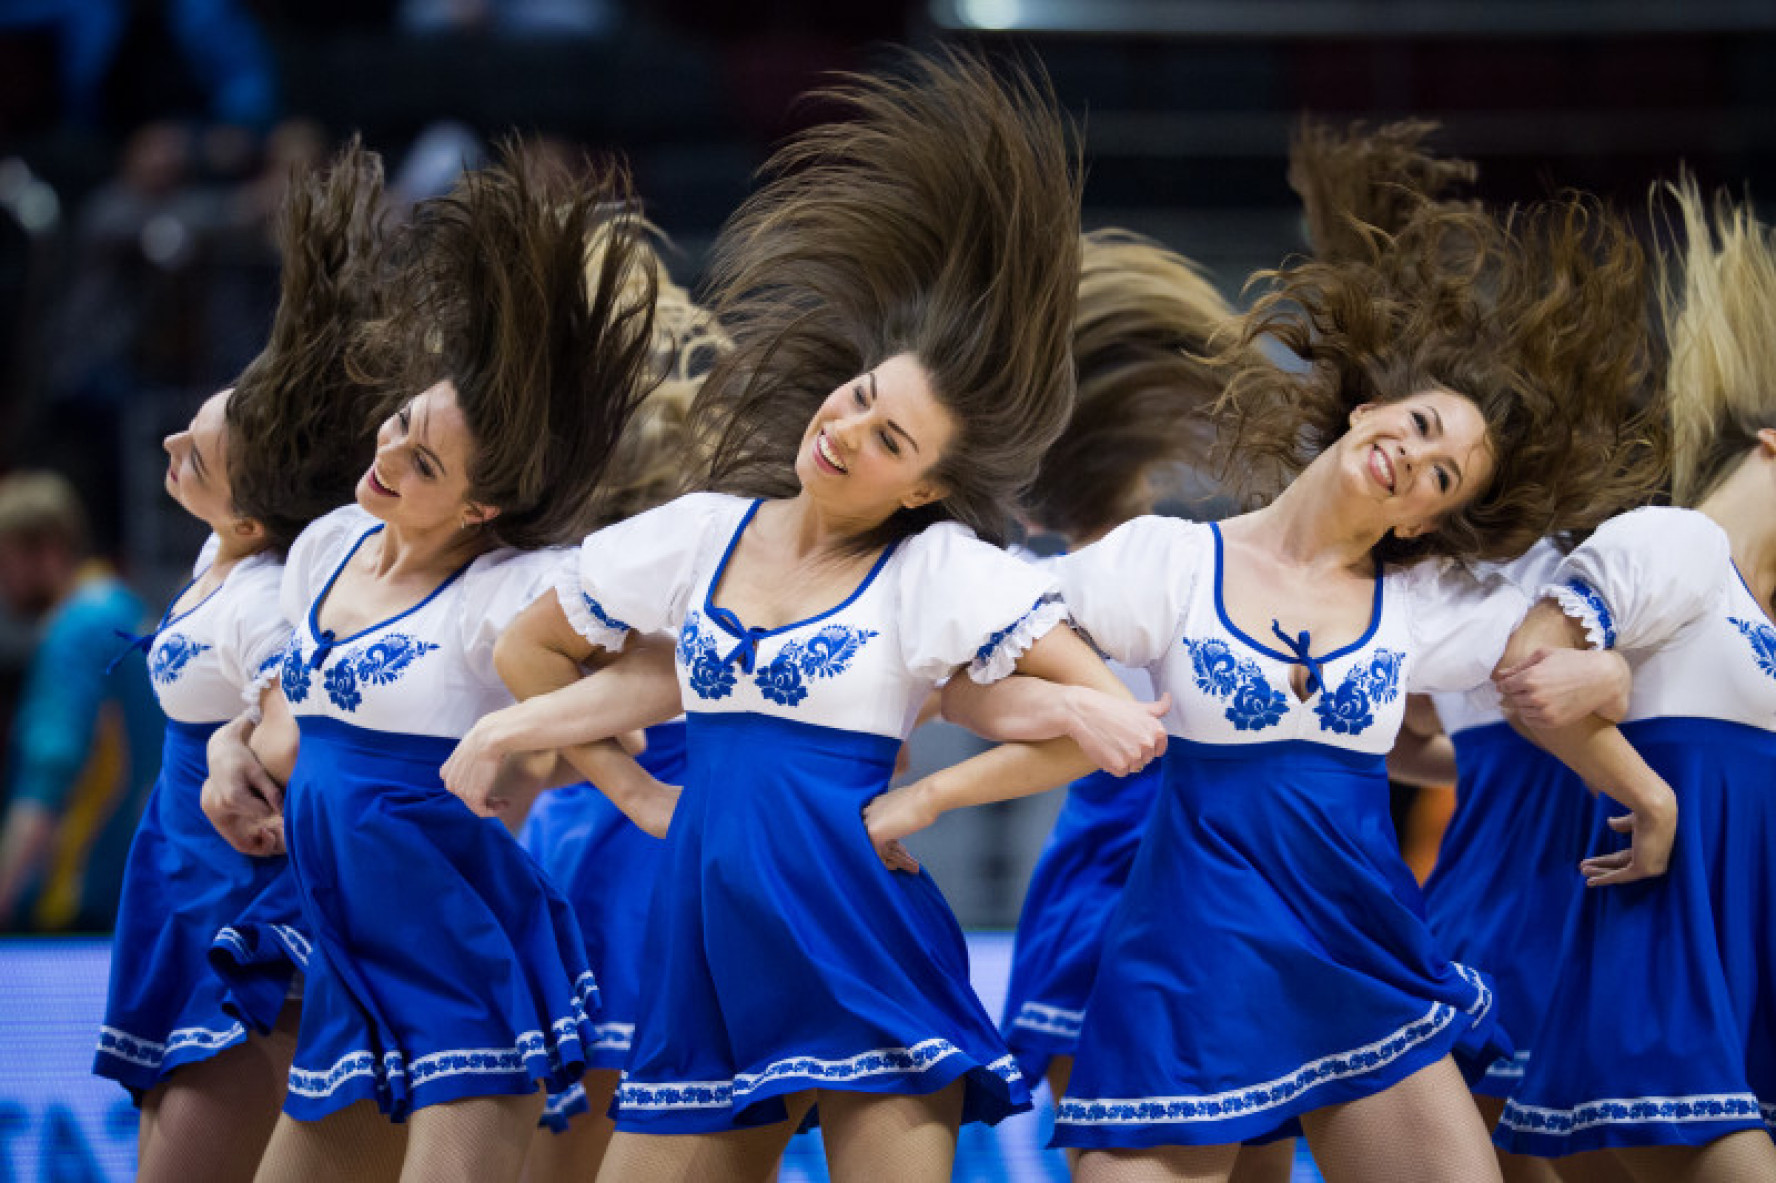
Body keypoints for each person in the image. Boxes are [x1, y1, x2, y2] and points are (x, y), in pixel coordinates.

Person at [442, 49, 1166, 1183]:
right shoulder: (696, 536)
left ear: (925, 486)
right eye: (862, 397)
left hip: (858, 931)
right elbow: (534, 648)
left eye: (889, 441)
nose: (846, 430)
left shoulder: (936, 571)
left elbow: (1104, 715)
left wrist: (927, 793)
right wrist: (620, 782)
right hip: (706, 944)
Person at [866, 191, 1671, 1182]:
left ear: (1427, 520)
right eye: (1419, 425)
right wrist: (928, 760)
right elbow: (972, 648)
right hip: (1188, 968)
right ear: (1370, 409)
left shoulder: (1428, 604)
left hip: (1360, 961)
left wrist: (1618, 688)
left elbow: (1576, 665)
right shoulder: (1166, 563)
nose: (1414, 456)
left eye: (1442, 474)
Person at [201, 145, 661, 1183]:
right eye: (400, 426)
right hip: (344, 950)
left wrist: (538, 739)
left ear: (482, 507)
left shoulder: (512, 588)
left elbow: (667, 673)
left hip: (456, 949)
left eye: (424, 465)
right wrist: (230, 752)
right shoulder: (323, 545)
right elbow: (286, 718)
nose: (386, 459)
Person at [90, 141, 386, 1183]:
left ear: (253, 508)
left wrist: (235, 750)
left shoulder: (267, 593)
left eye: (195, 451)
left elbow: (303, 717)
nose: (171, 444)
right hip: (181, 879)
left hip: (237, 896)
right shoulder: (230, 550)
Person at [1491, 178, 1776, 1181]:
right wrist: (1646, 792)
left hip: (1743, 999)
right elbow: (1529, 665)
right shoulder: (1679, 545)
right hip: (1656, 983)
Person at [519, 234, 730, 1182]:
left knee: (585, 1141)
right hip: (636, 833)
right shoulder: (704, 483)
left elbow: (580, 734)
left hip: (611, 834)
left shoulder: (575, 510)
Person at [0, 470, 162, 932]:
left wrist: (4, 891)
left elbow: (49, 771)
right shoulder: (124, 608)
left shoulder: (74, 630)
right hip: (136, 887)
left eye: (5, 562)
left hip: (74, 897)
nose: (3, 582)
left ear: (47, 550)